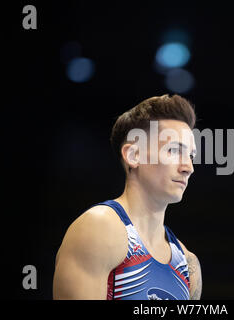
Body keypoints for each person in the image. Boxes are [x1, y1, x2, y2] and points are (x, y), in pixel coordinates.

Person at [53, 94, 202, 300]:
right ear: (134, 155)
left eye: (191, 156)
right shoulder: (99, 228)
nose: (189, 168)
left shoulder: (187, 263)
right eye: (174, 150)